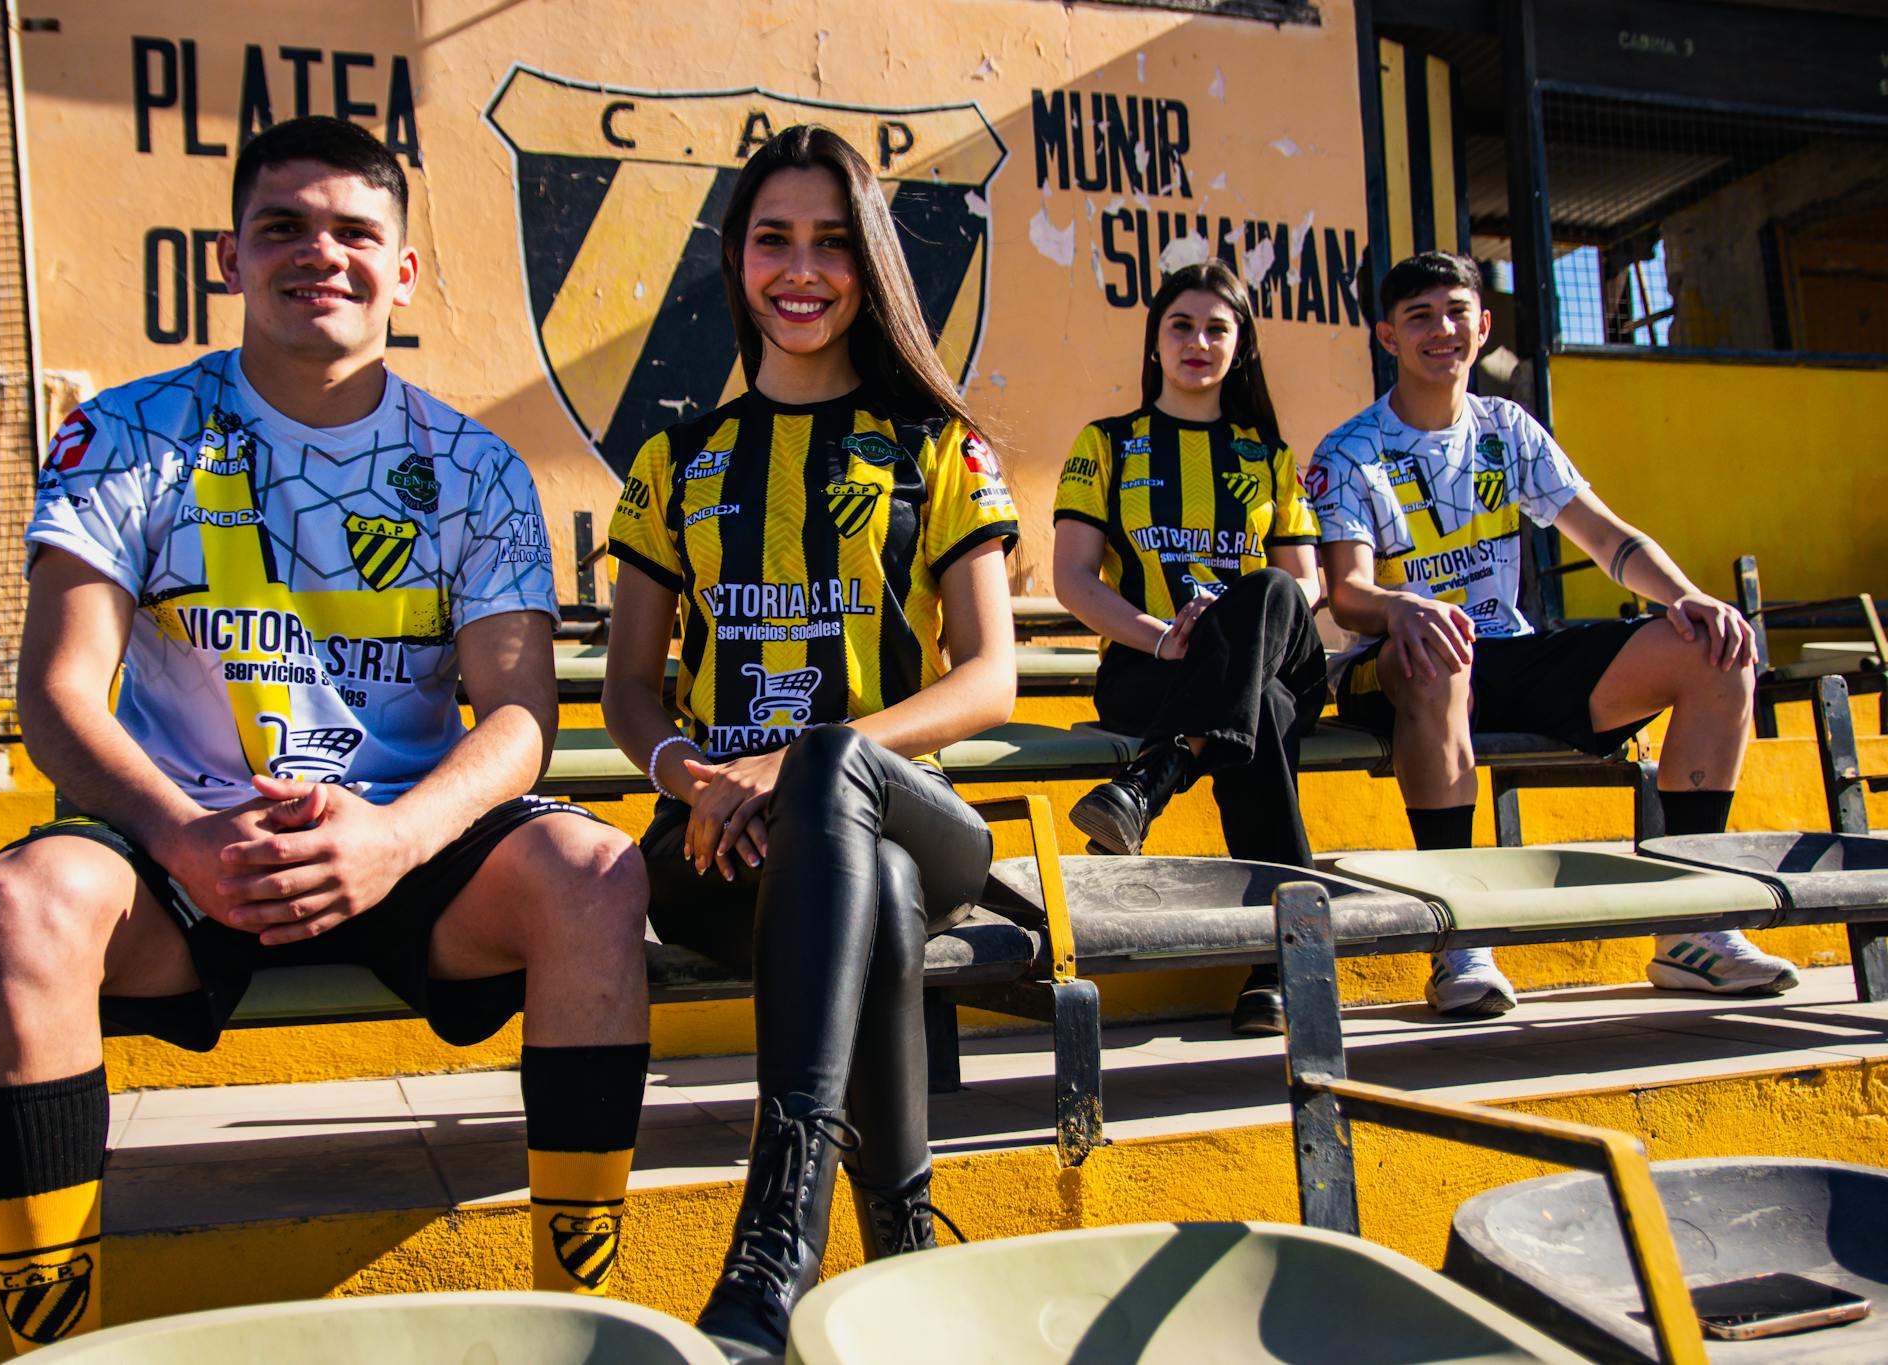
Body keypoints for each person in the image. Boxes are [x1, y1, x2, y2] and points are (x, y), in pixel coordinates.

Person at [0, 117, 652, 1354]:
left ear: (403, 273)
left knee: (595, 876)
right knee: (20, 903)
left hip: (402, 847)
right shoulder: (125, 434)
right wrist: (178, 833)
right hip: (179, 849)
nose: (316, 253)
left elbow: (518, 716)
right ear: (230, 255)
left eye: (352, 232)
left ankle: (584, 1321)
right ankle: (45, 1342)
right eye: (282, 226)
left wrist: (390, 840)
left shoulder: (477, 467)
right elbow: (58, 695)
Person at [603, 124, 1018, 1360]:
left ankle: (772, 1242)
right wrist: (690, 777)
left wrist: (786, 764)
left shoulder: (941, 447)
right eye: (773, 239)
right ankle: (898, 1236)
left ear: (870, 265)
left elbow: (988, 678)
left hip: (911, 812)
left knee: (841, 770)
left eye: (833, 243)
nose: (803, 268)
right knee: (872, 893)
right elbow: (631, 690)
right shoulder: (675, 461)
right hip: (720, 854)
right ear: (735, 261)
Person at [1310, 250, 1796, 1020]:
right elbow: (1348, 595)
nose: (1442, 329)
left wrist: (1690, 597)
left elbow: (1607, 539)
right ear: (1387, 337)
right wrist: (1404, 608)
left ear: (1483, 324)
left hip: (1507, 651)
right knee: (1441, 653)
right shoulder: (1347, 452)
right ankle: (1458, 936)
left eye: (1456, 312)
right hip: (1394, 665)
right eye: (1419, 317)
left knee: (1716, 650)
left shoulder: (1509, 430)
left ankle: (1695, 925)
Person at [1053, 260, 1326, 1037]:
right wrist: (1162, 638)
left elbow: (1306, 587)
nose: (1198, 341)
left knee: (1269, 589)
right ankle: (1280, 966)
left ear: (1239, 348)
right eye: (1181, 324)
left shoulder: (1268, 455)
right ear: (1155, 342)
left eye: (1217, 327)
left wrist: (1226, 623)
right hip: (1149, 672)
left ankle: (1156, 776)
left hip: (1269, 651)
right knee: (1261, 713)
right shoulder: (1105, 444)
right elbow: (1073, 579)